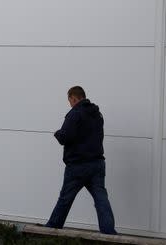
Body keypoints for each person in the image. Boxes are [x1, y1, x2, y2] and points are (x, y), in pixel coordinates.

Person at [46, 86, 117, 234]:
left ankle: (51, 229)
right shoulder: (97, 114)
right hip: (97, 163)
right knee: (101, 199)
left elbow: (65, 136)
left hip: (78, 165)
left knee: (65, 199)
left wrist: (57, 133)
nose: (70, 104)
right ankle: (109, 233)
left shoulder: (75, 114)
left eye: (69, 101)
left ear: (73, 98)